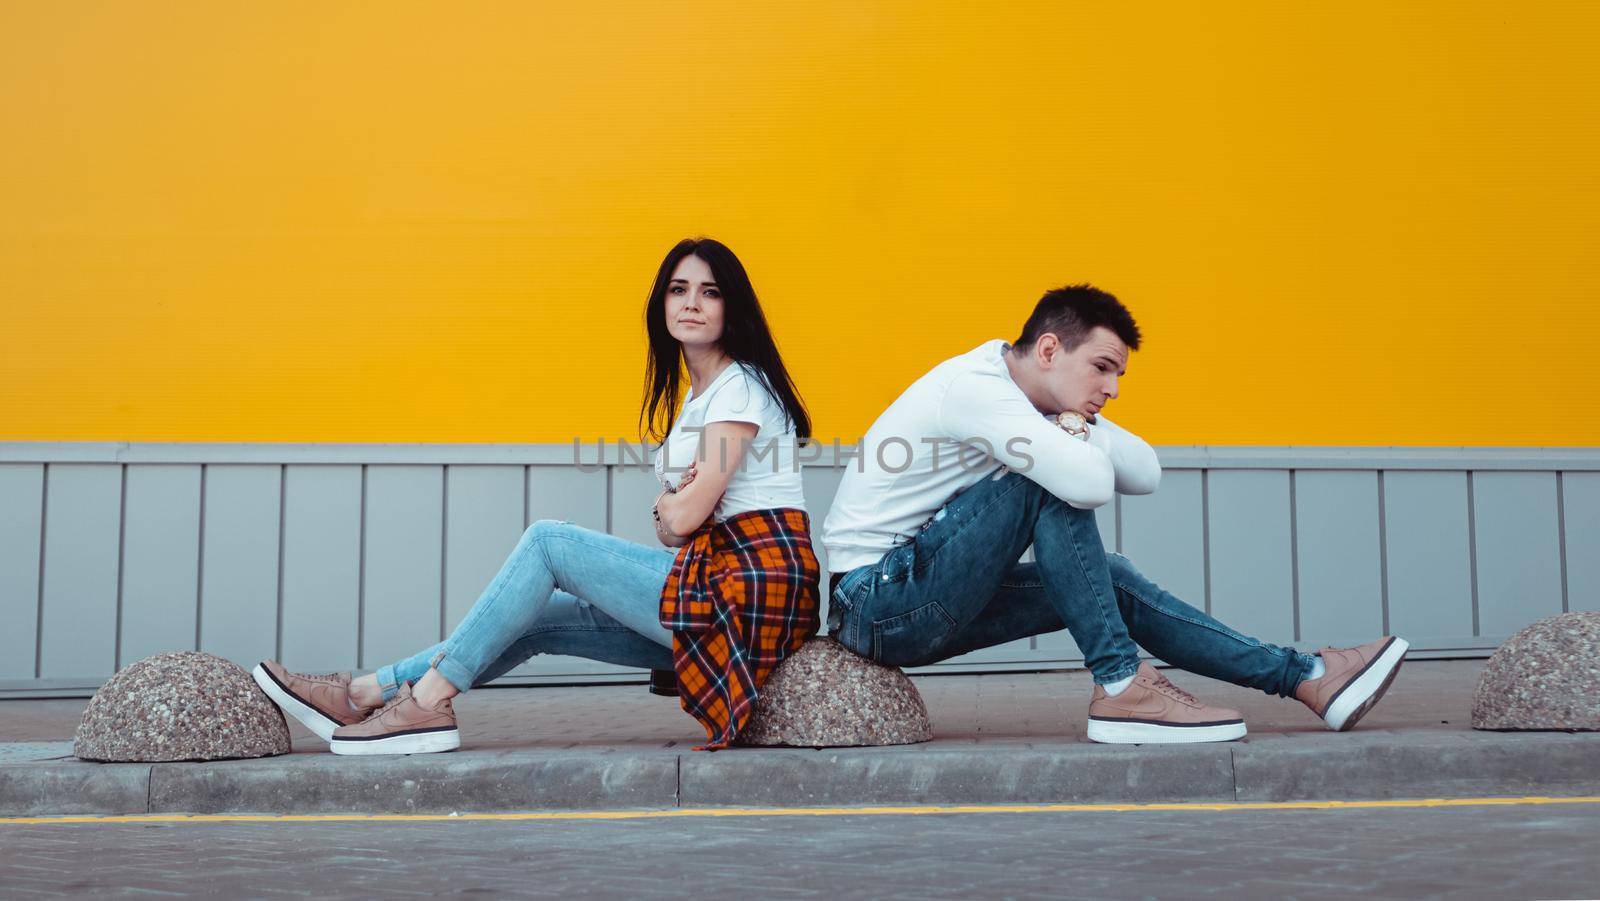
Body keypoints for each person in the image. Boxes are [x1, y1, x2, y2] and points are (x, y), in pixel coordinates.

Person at [253, 237, 820, 754]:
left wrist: (676, 504)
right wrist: (675, 508)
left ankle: (425, 705)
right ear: (661, 304)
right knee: (538, 618)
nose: (691, 303)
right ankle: (363, 693)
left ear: (731, 307)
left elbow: (687, 513)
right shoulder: (700, 403)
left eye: (709, 292)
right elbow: (671, 528)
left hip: (747, 595)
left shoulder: (738, 390)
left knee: (549, 544)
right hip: (710, 588)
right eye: (678, 290)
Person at [820, 285, 1408, 743]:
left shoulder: (1038, 402)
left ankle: (1306, 677)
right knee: (1047, 483)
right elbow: (1087, 483)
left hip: (917, 598)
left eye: (1119, 374)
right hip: (876, 600)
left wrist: (1072, 423)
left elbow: (1144, 470)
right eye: (1102, 367)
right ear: (1049, 349)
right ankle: (1122, 683)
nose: (1114, 388)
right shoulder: (976, 390)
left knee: (1114, 580)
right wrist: (1073, 434)